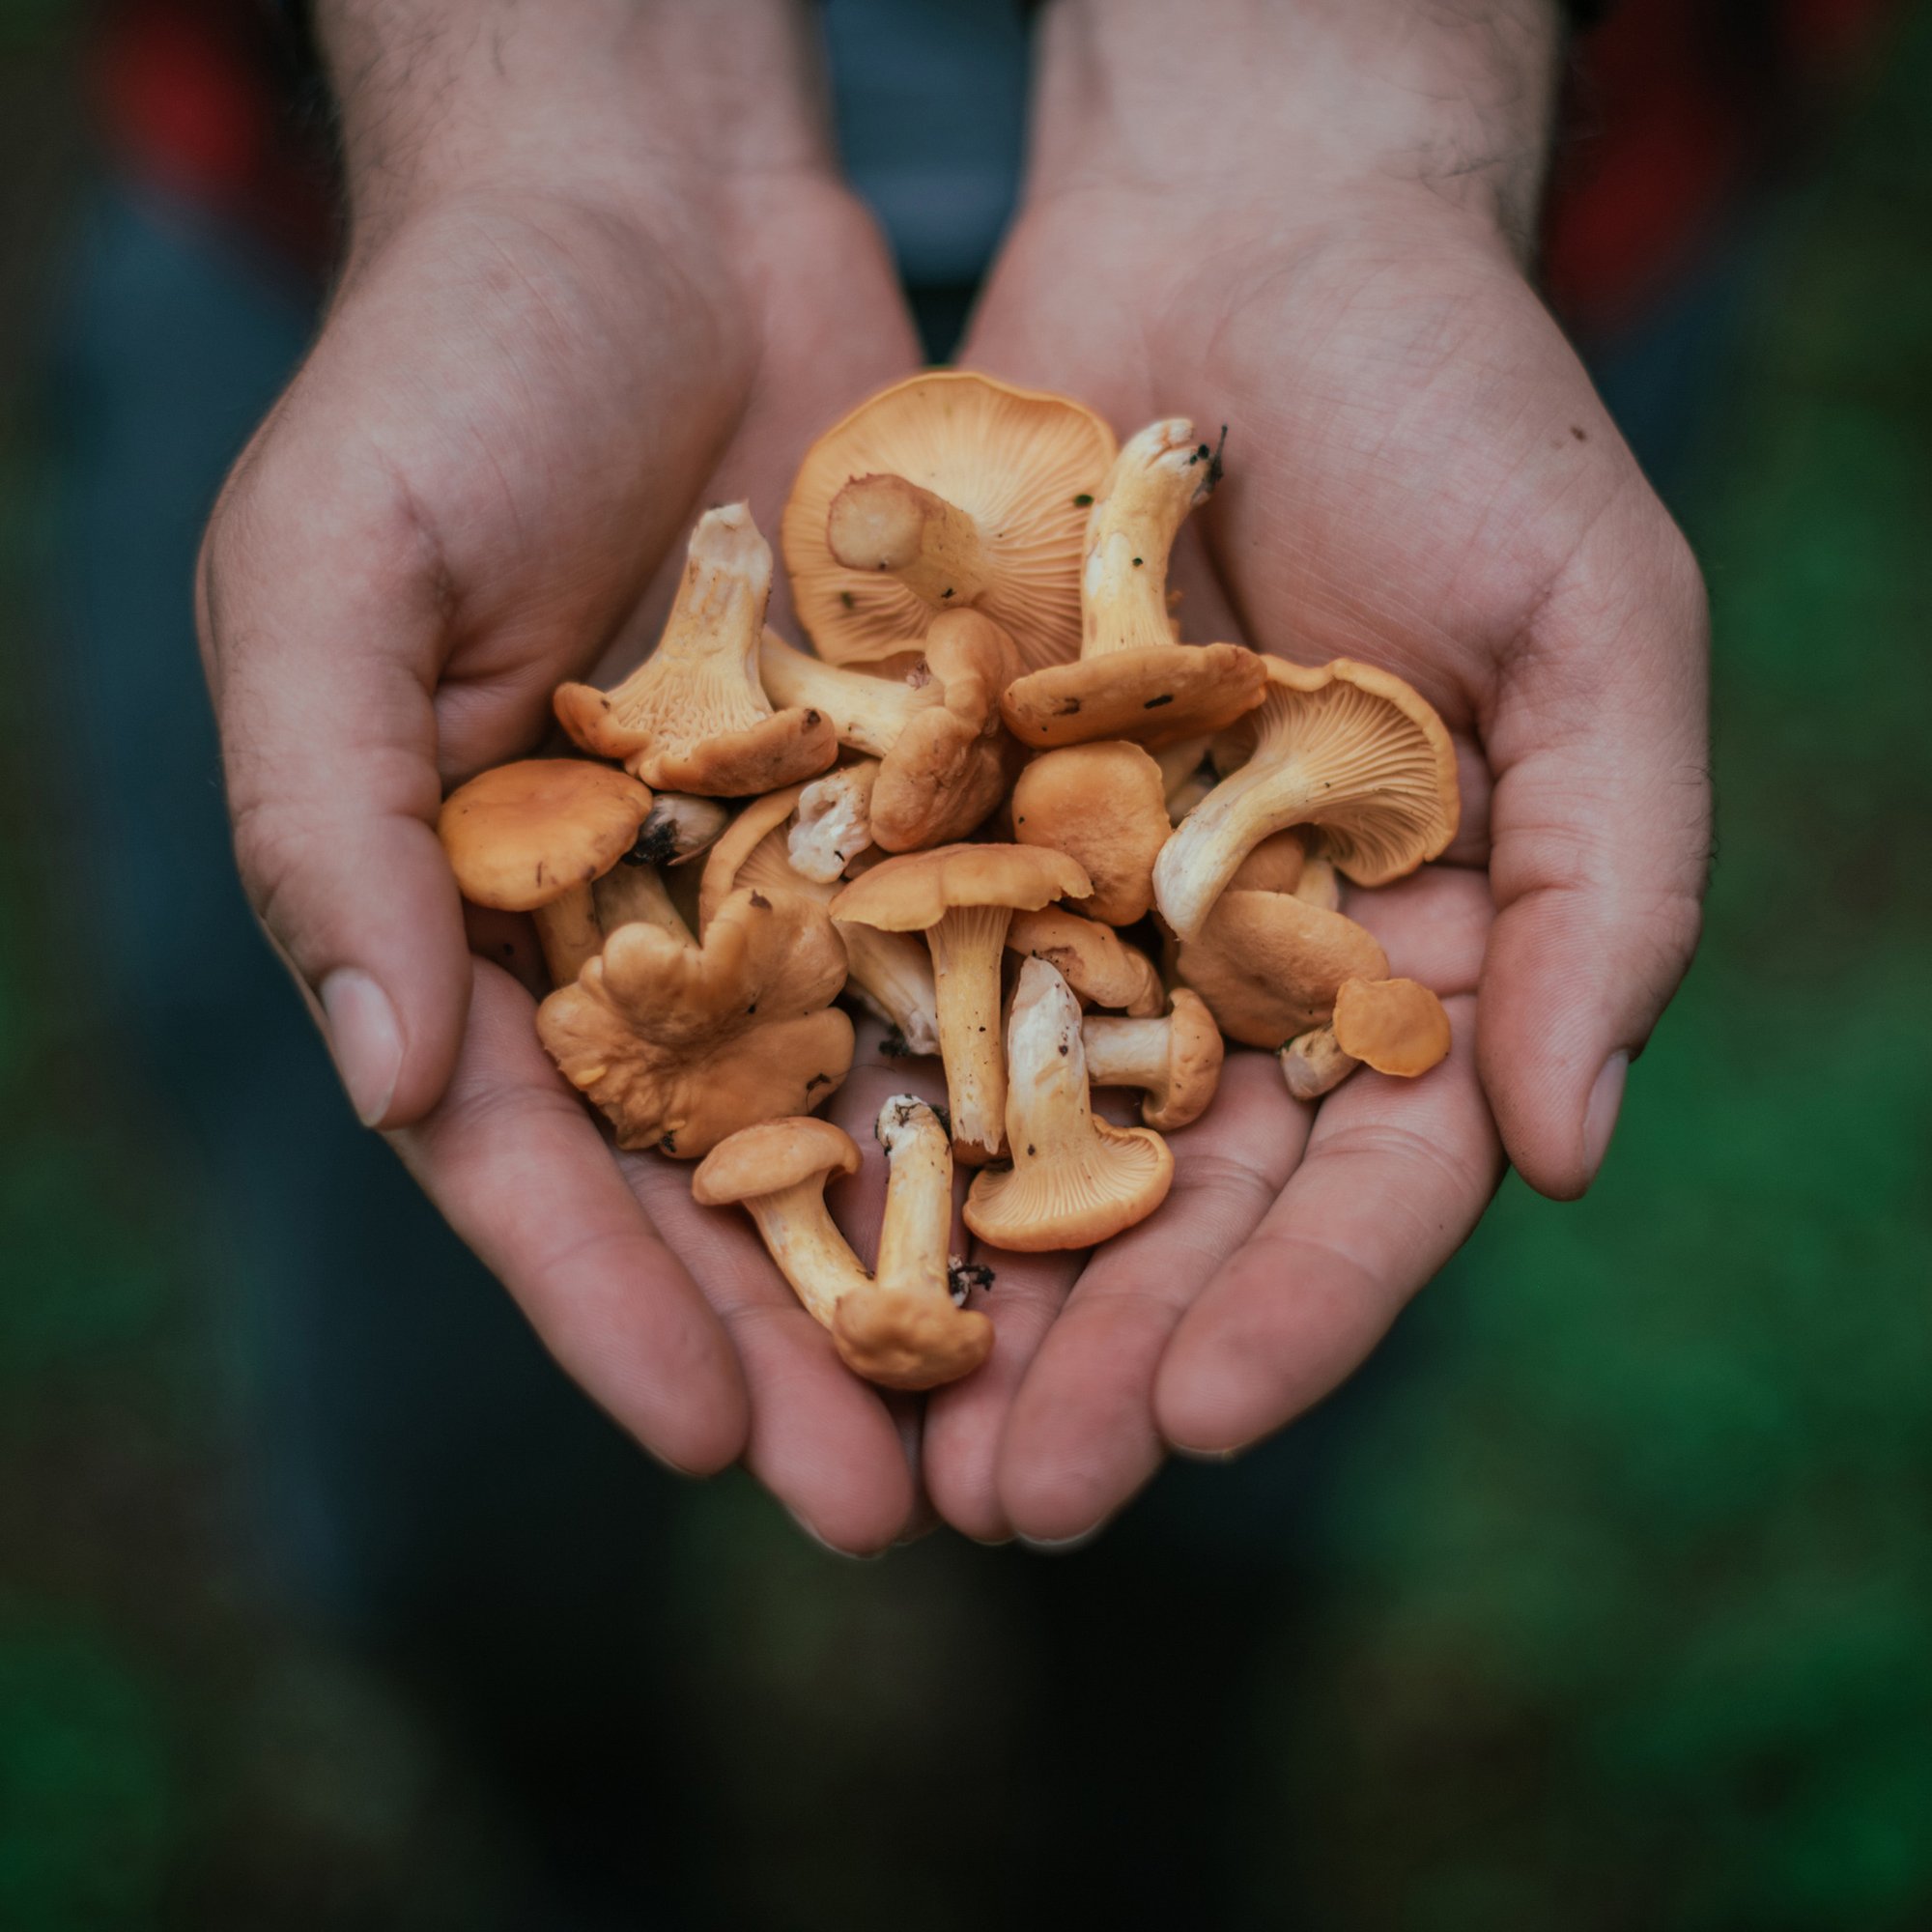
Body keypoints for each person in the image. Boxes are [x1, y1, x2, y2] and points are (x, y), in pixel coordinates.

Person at [191, 0, 1711, 1557]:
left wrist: (1350, 149)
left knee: (1223, 1495)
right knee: (441, 1432)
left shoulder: (1055, 742)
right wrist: (541, 157)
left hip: (1534, 195)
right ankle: (541, 1700)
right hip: (293, 207)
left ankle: (1158, 1707)